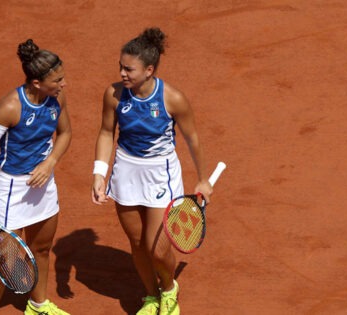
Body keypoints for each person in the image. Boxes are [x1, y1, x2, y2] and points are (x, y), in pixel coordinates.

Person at [91, 27, 213, 315]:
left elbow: (192, 138)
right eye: (121, 66)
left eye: (129, 69)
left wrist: (203, 179)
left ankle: (169, 289)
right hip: (126, 171)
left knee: (156, 247)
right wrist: (99, 173)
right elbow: (107, 132)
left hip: (161, 173)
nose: (122, 73)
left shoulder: (173, 98)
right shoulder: (114, 95)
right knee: (136, 243)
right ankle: (150, 295)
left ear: (149, 70)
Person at [0, 39, 71, 315]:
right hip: (11, 191)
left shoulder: (57, 99)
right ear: (37, 82)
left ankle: (38, 306)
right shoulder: (10, 106)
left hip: (43, 186)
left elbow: (65, 133)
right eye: (57, 80)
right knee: (5, 265)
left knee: (41, 248)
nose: (63, 85)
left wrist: (50, 162)